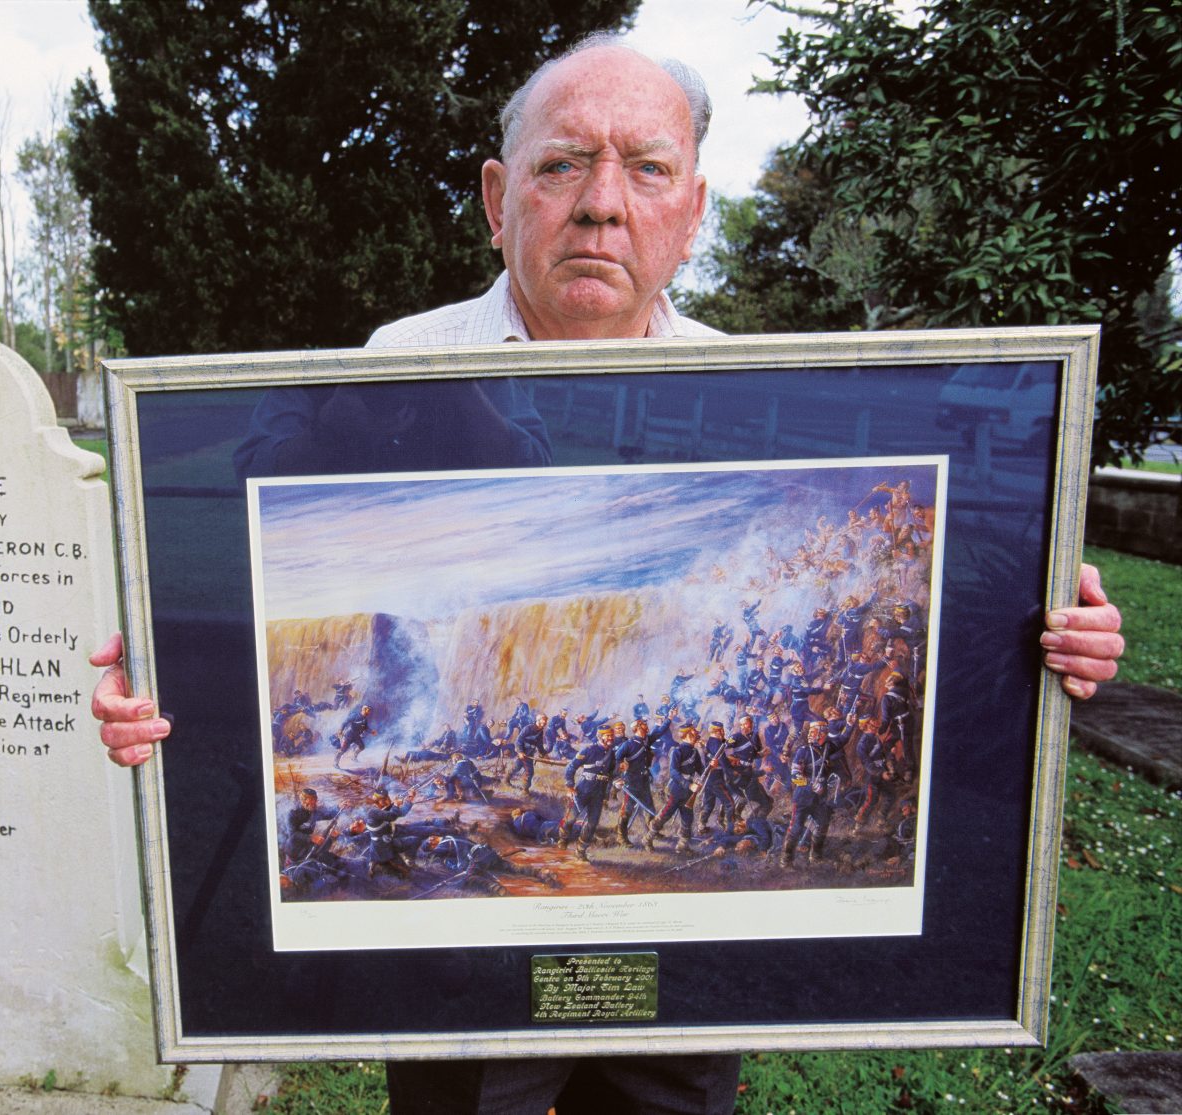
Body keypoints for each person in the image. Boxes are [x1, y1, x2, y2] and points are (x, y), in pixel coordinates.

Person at [90, 32, 1124, 1115]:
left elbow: (919, 637)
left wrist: (1041, 636)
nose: (600, 202)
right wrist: (170, 693)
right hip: (451, 970)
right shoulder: (388, 368)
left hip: (683, 969)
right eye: (560, 163)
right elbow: (267, 582)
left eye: (645, 167)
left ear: (691, 209)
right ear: (498, 197)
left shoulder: (748, 398)